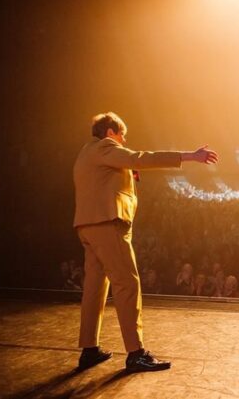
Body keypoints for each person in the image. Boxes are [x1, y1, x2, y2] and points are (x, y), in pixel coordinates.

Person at [73, 112, 218, 372]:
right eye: (121, 134)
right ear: (110, 133)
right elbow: (139, 157)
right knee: (127, 283)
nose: (124, 139)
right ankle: (135, 353)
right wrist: (188, 156)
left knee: (95, 288)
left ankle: (89, 349)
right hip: (107, 224)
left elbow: (111, 178)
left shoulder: (86, 153)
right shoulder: (107, 147)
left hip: (87, 226)